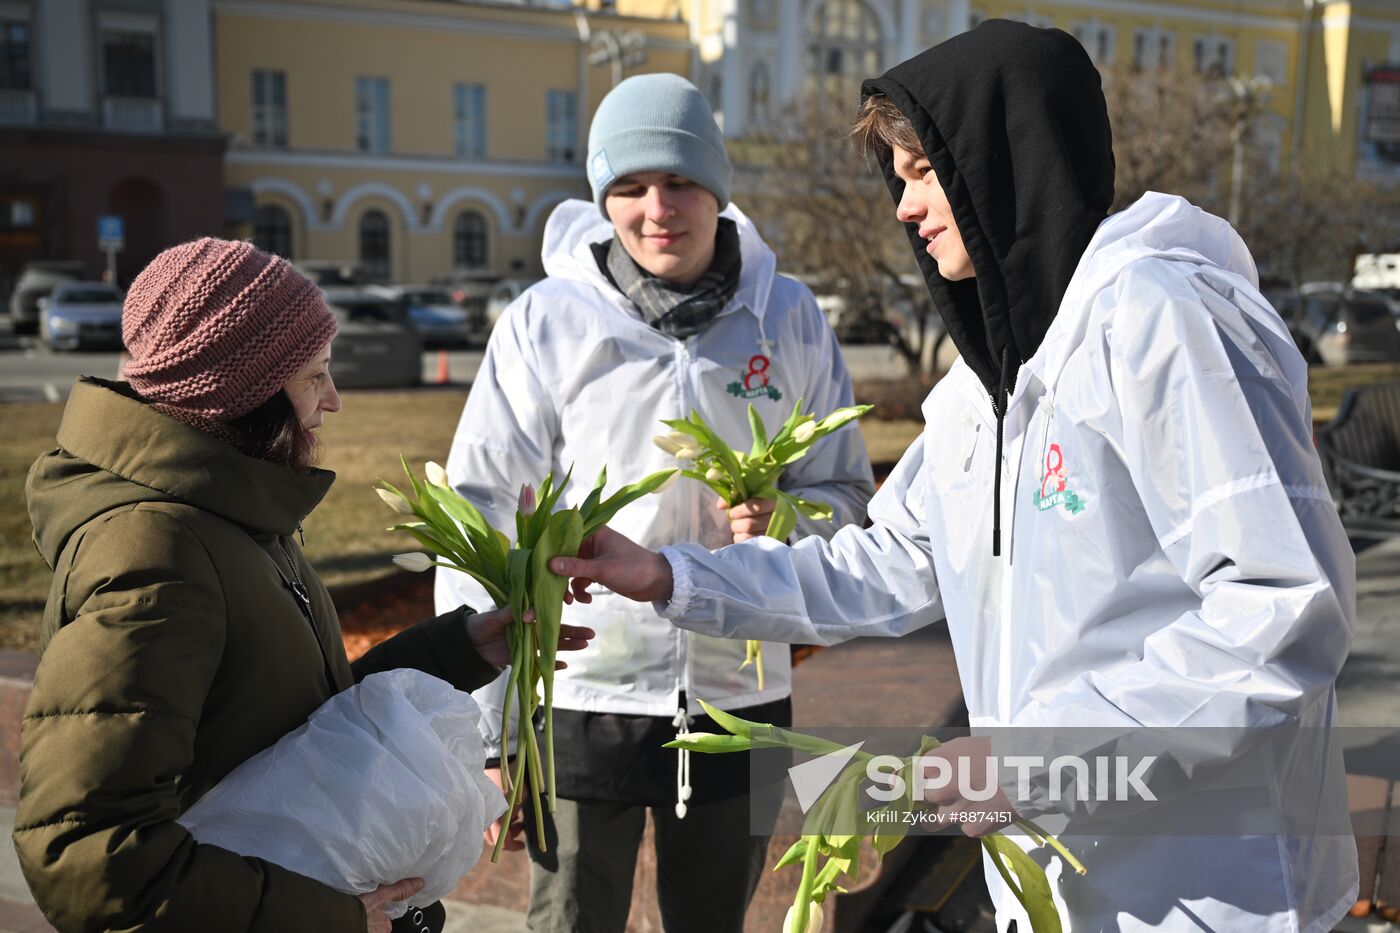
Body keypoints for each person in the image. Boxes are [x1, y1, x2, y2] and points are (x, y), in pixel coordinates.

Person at [549, 20, 1359, 933]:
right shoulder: (982, 386)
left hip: (1214, 893)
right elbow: (884, 560)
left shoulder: (1163, 321)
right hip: (1057, 880)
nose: (904, 206)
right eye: (898, 178)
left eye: (924, 172)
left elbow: (1282, 606)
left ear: (1006, 158)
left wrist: (1030, 762)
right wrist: (671, 576)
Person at [15, 237, 594, 933]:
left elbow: (292, 717)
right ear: (244, 390)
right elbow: (88, 853)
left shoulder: (234, 512)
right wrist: (331, 918)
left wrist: (463, 647)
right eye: (315, 375)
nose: (335, 399)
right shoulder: (155, 552)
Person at [435, 73, 873, 933]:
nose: (656, 208)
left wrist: (791, 521)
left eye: (679, 181)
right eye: (629, 188)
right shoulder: (547, 323)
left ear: (718, 187)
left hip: (736, 703)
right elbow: (481, 520)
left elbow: (847, 491)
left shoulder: (788, 318)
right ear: (603, 200)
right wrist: (485, 737)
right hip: (578, 695)